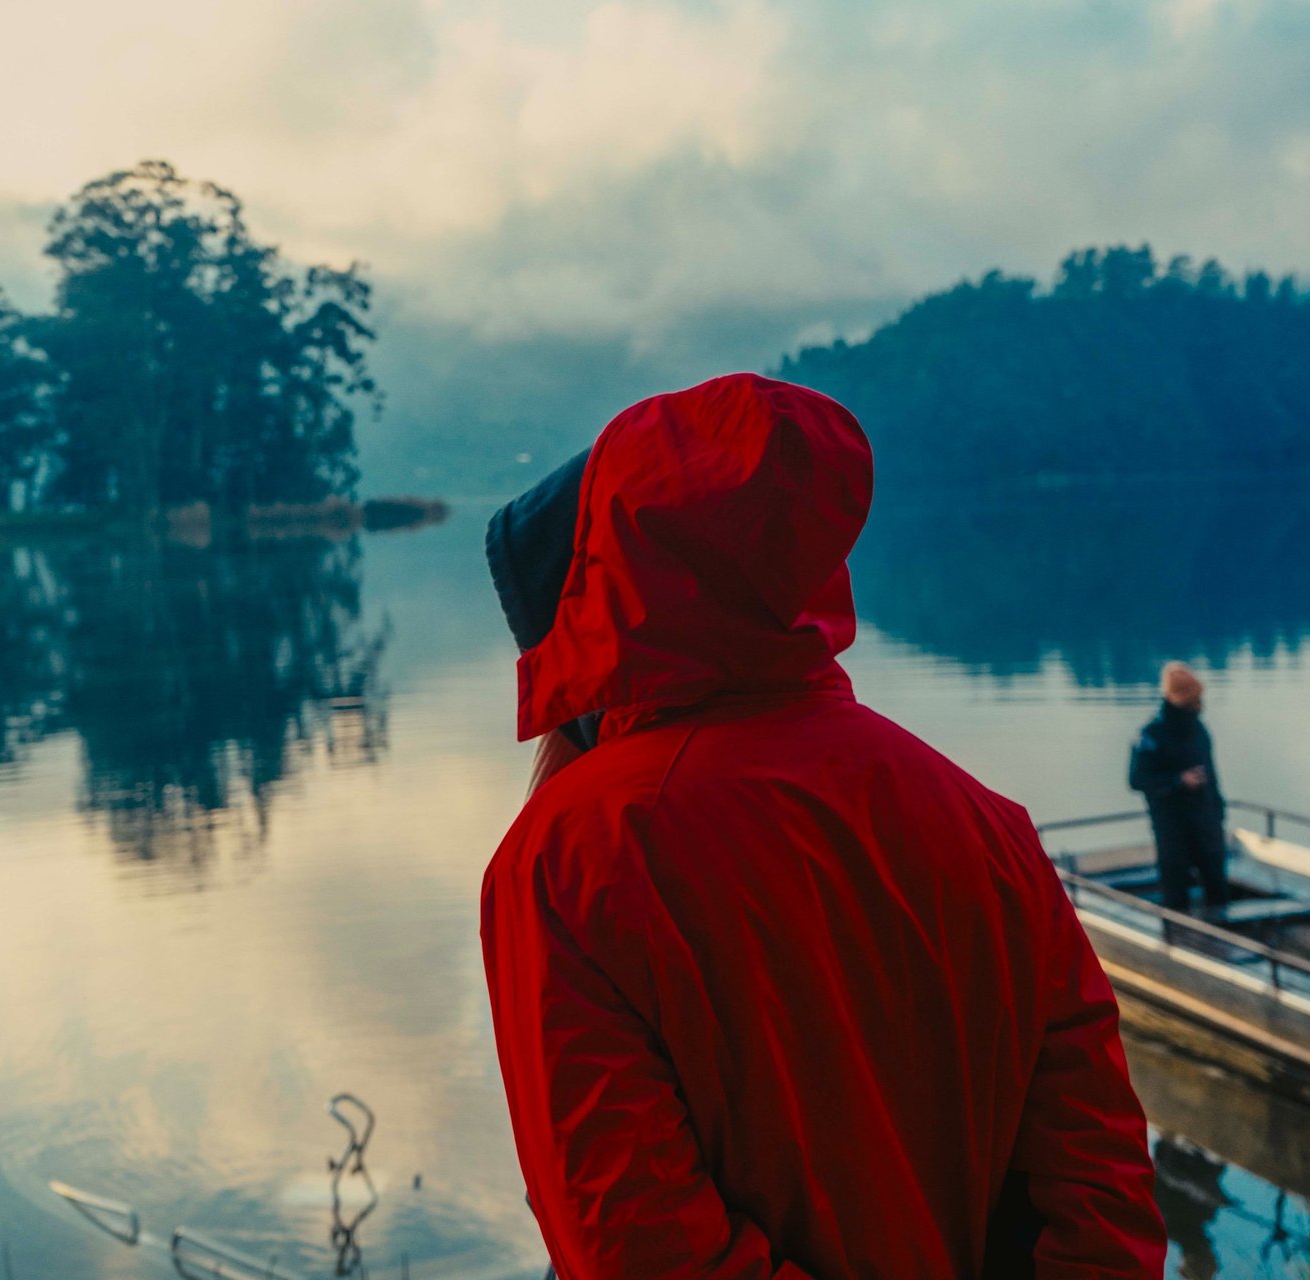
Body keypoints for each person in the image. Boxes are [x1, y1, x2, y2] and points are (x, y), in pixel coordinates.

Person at [480, 373, 1165, 1279]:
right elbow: (1102, 1194)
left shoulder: (572, 856)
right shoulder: (984, 823)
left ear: (607, 557)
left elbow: (633, 1245)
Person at [1128, 662, 1229, 914]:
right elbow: (1137, 780)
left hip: (1206, 822)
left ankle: (1225, 936)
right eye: (1191, 696)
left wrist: (1218, 809)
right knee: (1175, 889)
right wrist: (1178, 781)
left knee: (1217, 882)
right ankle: (1176, 940)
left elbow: (1212, 775)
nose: (1197, 702)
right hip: (1171, 825)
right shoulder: (1151, 735)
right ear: (1175, 695)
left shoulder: (1199, 730)